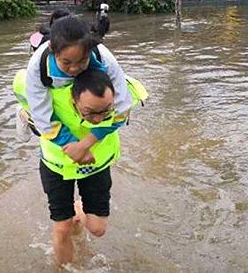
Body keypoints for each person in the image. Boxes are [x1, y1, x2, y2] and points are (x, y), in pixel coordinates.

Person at [12, 68, 148, 266]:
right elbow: (25, 76)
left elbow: (115, 117)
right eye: (90, 112)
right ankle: (26, 115)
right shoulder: (39, 89)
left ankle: (76, 211)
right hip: (56, 165)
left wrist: (84, 145)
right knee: (62, 227)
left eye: (105, 111)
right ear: (73, 101)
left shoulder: (123, 93)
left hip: (96, 164)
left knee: (98, 229)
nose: (98, 118)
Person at [22, 16, 132, 162]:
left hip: (85, 108)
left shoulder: (104, 58)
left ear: (90, 50)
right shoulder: (38, 67)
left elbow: (122, 109)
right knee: (37, 122)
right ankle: (23, 114)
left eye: (82, 60)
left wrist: (85, 144)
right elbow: (43, 120)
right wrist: (73, 147)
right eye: (66, 62)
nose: (74, 69)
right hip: (53, 109)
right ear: (52, 50)